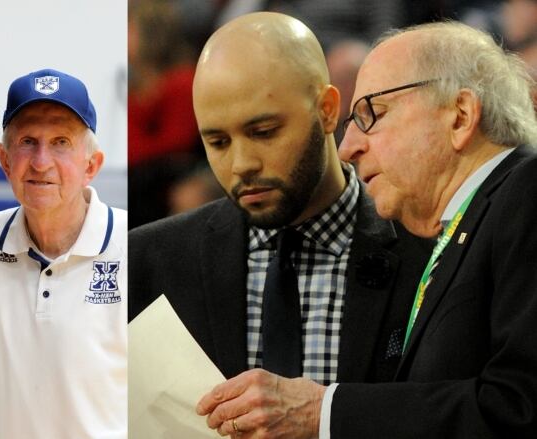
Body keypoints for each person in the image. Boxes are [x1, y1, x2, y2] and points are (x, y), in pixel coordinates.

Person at [198, 20, 537, 438]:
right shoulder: (465, 226)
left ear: (460, 115)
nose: (347, 147)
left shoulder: (526, 193)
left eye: (371, 114)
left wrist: (323, 412)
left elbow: (521, 408)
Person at [129, 11, 431, 436]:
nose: (241, 164)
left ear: (327, 111)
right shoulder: (146, 264)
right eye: (217, 142)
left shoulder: (430, 250)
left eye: (265, 131)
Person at [0, 69, 127, 438]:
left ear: (91, 165)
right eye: (28, 141)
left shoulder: (134, 246)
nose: (40, 161)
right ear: (5, 160)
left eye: (61, 142)